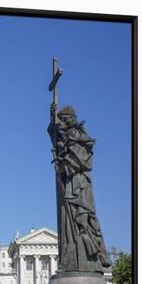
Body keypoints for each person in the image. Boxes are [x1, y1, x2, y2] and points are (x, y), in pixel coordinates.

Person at [48, 105, 112, 273]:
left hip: (78, 186)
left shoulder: (77, 136)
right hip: (69, 185)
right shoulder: (66, 136)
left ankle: (85, 260)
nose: (60, 124)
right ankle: (71, 262)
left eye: (62, 120)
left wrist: (62, 167)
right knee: (68, 224)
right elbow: (54, 135)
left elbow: (81, 161)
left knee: (79, 222)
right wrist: (51, 116)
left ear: (69, 119)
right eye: (59, 121)